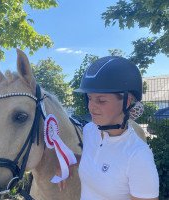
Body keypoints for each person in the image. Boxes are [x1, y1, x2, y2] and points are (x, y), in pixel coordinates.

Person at [59, 56, 159, 200]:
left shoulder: (138, 156)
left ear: (127, 101)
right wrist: (68, 161)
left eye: (101, 100)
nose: (91, 107)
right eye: (89, 98)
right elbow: (95, 161)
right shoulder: (89, 130)